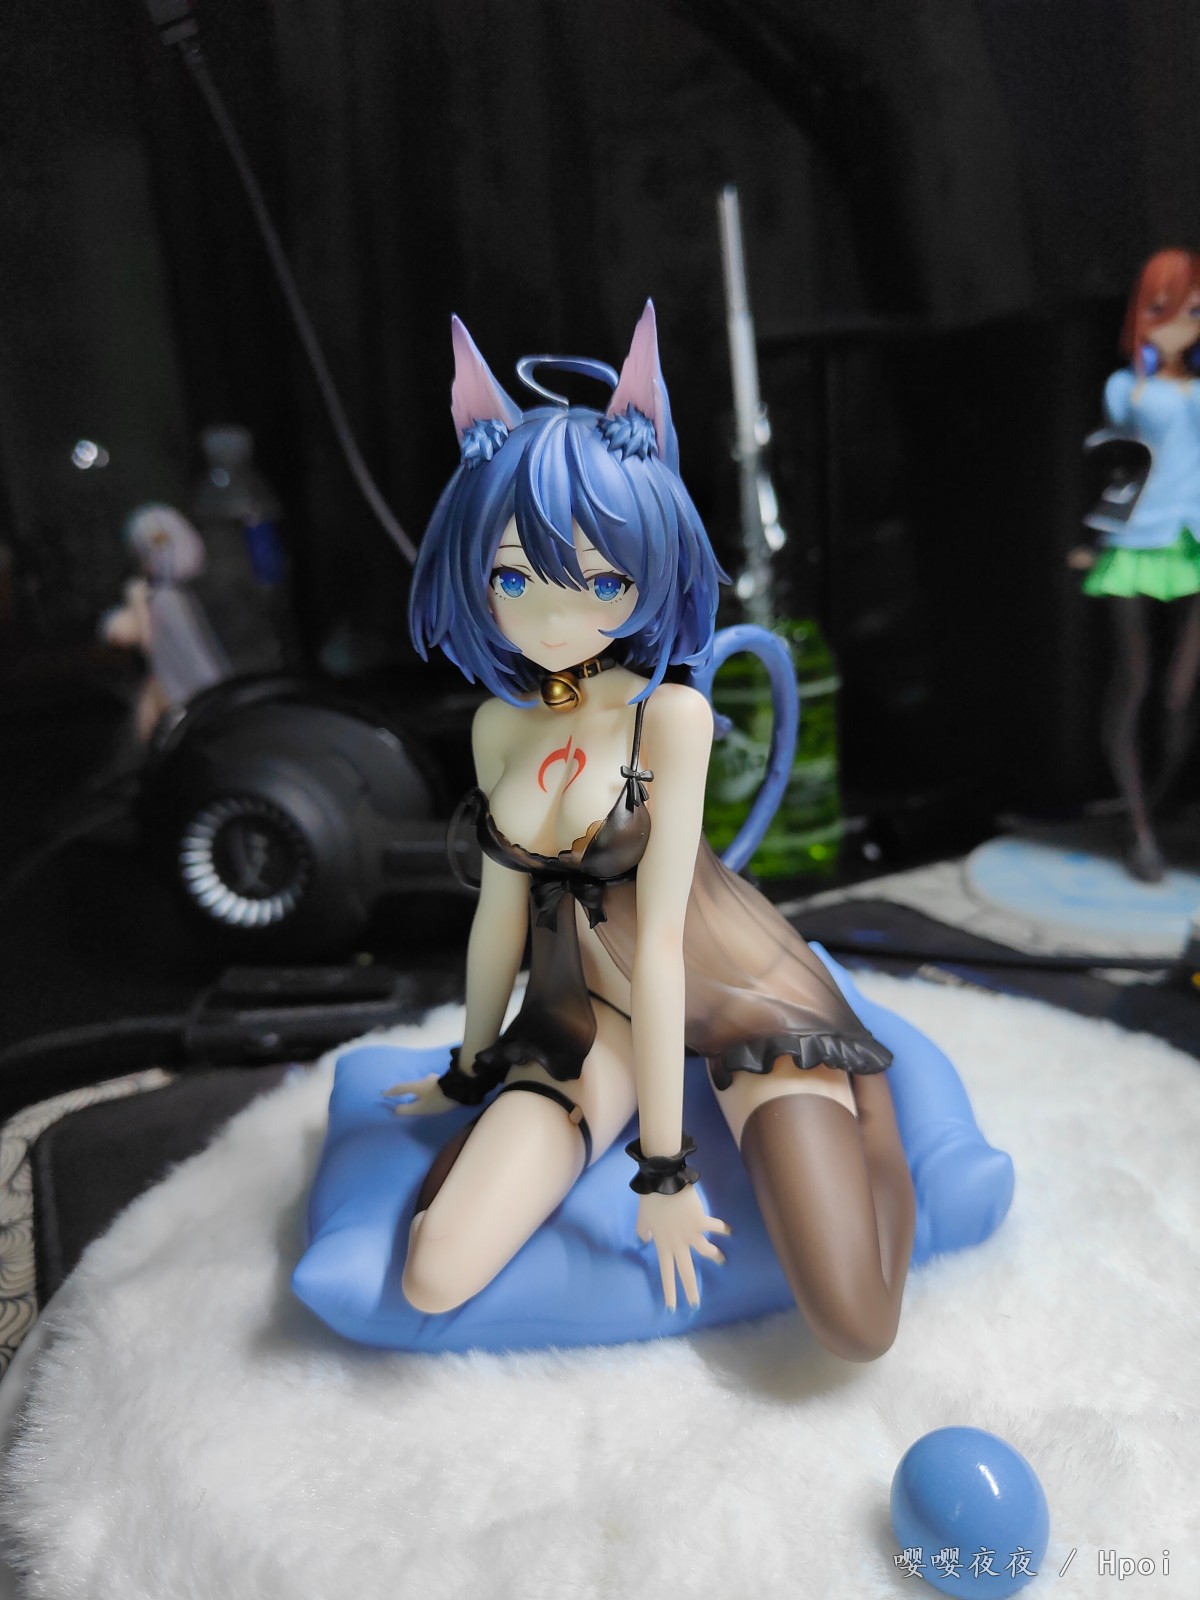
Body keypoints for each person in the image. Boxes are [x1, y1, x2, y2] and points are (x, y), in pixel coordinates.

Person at [387, 305, 913, 1361]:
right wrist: (473, 1061)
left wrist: (664, 1171)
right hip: (592, 1012)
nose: (552, 617)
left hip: (727, 985)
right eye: (513, 577)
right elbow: (500, 918)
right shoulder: (498, 728)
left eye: (600, 579)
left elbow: (666, 944)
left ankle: (886, 1123)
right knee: (431, 1269)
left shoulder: (669, 718)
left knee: (854, 1320)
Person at [1071, 249, 1200, 880]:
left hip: (1191, 539)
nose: (1183, 323)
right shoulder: (1125, 388)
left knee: (1179, 692)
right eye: (1170, 309)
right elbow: (1112, 457)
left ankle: (1159, 799)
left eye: (1194, 312)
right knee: (1134, 681)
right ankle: (1139, 824)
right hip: (1135, 536)